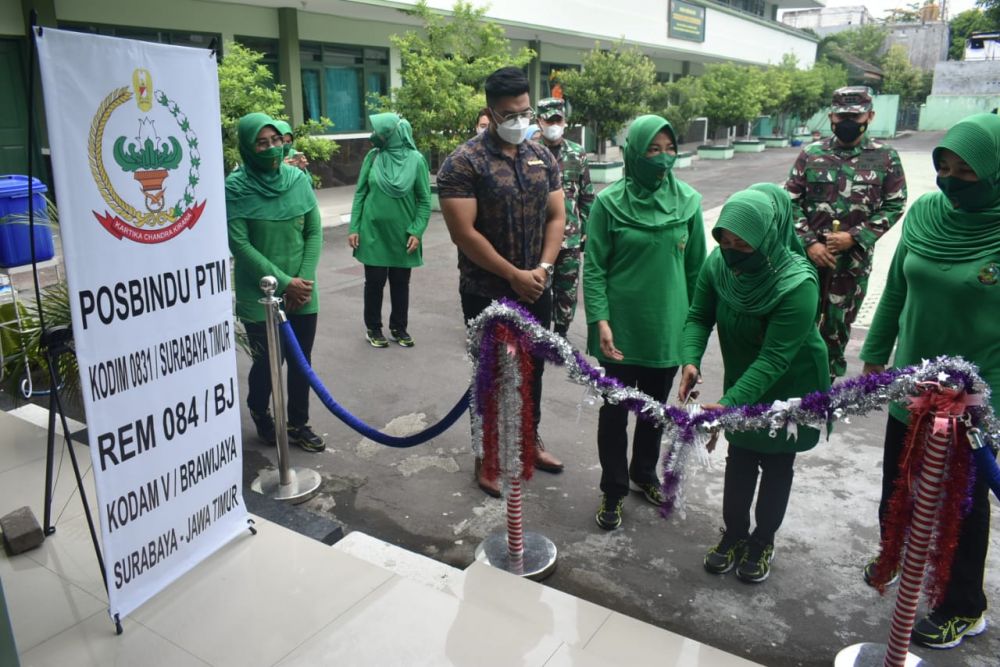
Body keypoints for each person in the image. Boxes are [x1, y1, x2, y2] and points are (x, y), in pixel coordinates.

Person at [859, 113, 1000, 649]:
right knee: (899, 485)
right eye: (945, 167)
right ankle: (894, 556)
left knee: (961, 505)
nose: (951, 179)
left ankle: (963, 606)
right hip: (911, 387)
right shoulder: (924, 215)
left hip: (974, 401)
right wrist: (875, 355)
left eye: (966, 171)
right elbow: (895, 289)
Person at [679, 186, 829, 583]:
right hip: (744, 373)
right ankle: (734, 533)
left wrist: (730, 403)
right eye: (725, 242)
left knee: (777, 462)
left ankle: (763, 540)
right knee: (741, 457)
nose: (732, 252)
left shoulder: (798, 283)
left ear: (768, 236)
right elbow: (698, 316)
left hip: (791, 381)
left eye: (743, 244)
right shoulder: (718, 265)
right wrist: (690, 360)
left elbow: (775, 358)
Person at [437, 66, 566, 497]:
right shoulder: (463, 162)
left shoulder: (541, 156)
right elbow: (463, 233)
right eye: (510, 114)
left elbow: (557, 216)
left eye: (524, 111)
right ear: (490, 112)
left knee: (534, 370)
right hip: (486, 292)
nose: (520, 120)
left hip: (537, 286)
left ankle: (529, 440)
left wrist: (543, 269)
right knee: (490, 375)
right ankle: (487, 455)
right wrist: (513, 275)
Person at [583, 115, 706, 530]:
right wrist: (599, 319)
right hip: (619, 330)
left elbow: (697, 272)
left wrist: (693, 338)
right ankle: (613, 488)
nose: (662, 158)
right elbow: (595, 268)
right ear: (634, 153)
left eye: (670, 149)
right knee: (615, 413)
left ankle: (644, 473)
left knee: (654, 411)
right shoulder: (608, 203)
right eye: (653, 150)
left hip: (666, 329)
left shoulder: (688, 202)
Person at [784, 86, 906, 381]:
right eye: (842, 116)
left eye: (856, 116)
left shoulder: (884, 157)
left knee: (837, 328)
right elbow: (790, 201)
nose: (848, 122)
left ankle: (824, 385)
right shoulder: (812, 154)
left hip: (852, 263)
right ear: (831, 117)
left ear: (870, 116)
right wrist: (809, 243)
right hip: (807, 261)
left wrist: (855, 236)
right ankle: (790, 381)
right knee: (796, 321)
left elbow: (895, 204)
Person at [226, 112, 325, 452]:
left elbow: (313, 231)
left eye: (277, 140)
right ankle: (259, 409)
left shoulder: (297, 179)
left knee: (301, 361)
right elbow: (240, 244)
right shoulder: (235, 188)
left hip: (303, 289)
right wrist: (284, 283)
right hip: (261, 292)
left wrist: (303, 280)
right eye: (262, 143)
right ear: (247, 146)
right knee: (269, 360)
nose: (271, 148)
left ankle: (298, 423)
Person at [348, 113, 431, 348]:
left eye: (380, 132)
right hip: (372, 232)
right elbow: (361, 193)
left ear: (393, 134)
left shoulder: (416, 160)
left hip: (403, 234)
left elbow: (424, 200)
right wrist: (354, 227)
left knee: (400, 282)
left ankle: (399, 327)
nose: (374, 136)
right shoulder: (373, 157)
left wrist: (417, 231)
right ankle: (373, 328)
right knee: (374, 282)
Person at [536, 97, 594, 338]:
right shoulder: (529, 151)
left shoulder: (577, 153)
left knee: (567, 290)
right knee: (539, 289)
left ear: (564, 121)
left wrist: (587, 231)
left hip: (570, 238)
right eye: (549, 120)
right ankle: (539, 335)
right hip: (539, 238)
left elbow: (587, 196)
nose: (553, 125)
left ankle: (561, 335)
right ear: (539, 121)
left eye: (557, 120)